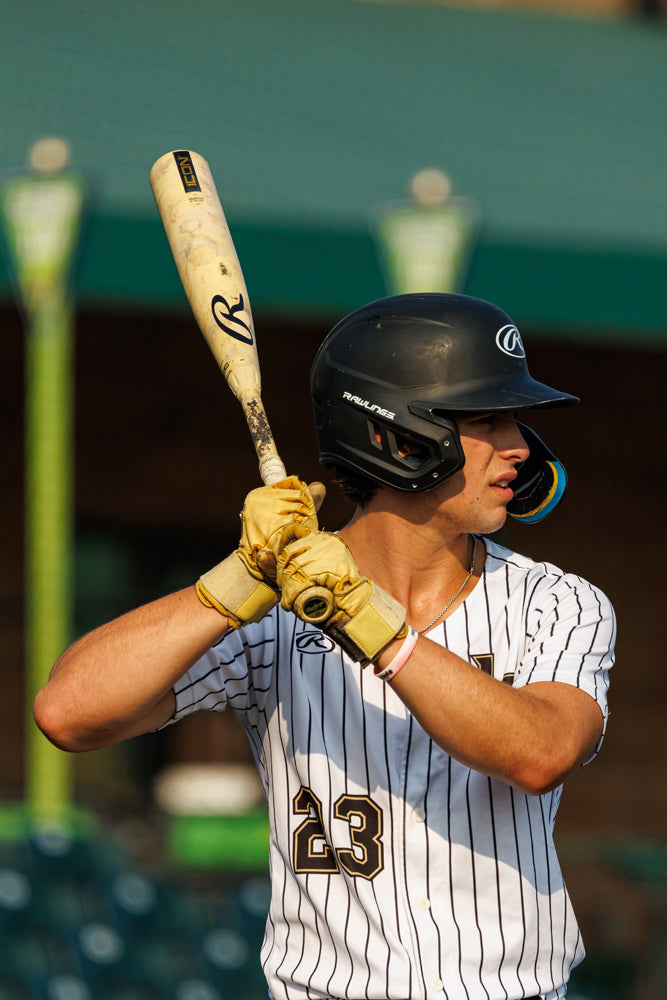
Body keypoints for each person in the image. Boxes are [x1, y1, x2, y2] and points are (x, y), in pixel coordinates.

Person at [35, 293, 616, 1000]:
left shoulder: (556, 602)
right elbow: (67, 713)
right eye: (486, 420)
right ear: (398, 434)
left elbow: (540, 753)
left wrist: (370, 622)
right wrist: (232, 582)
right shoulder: (273, 605)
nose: (519, 446)